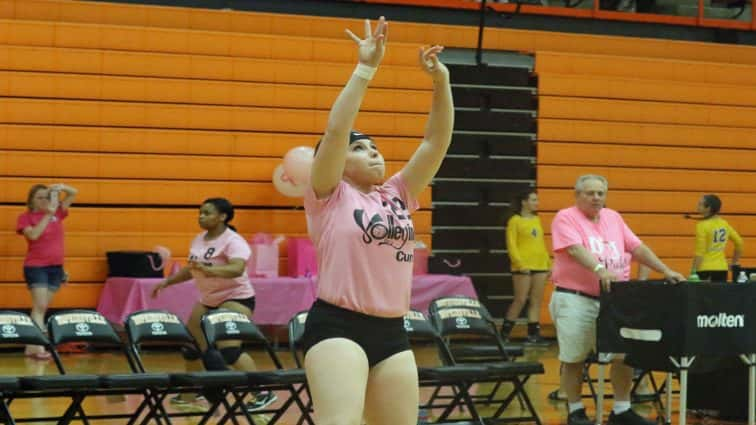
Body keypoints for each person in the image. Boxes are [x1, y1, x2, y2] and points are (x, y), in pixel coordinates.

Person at [301, 16, 454, 425]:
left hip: (392, 331)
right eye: (361, 148)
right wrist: (366, 68)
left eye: (376, 147)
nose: (374, 153)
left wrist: (441, 82)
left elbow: (435, 142)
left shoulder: (398, 194)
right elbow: (337, 131)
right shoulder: (329, 193)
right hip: (338, 326)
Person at [549, 174, 684, 425]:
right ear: (577, 195)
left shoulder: (614, 218)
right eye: (590, 193)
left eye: (601, 193)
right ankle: (576, 411)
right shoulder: (565, 217)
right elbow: (575, 249)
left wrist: (665, 270)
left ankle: (621, 409)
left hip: (615, 299)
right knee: (575, 357)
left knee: (624, 354)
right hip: (576, 298)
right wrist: (600, 270)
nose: (596, 198)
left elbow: (637, 248)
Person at [151, 198, 276, 411]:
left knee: (229, 350)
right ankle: (194, 392)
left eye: (207, 213)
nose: (201, 216)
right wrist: (168, 282)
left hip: (235, 298)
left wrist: (211, 271)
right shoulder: (199, 239)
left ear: (222, 217)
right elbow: (192, 269)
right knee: (191, 346)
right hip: (209, 300)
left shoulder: (233, 240)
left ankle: (263, 392)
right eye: (200, 212)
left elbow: (236, 269)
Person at [16, 183, 78, 360]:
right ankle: (38, 347)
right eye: (40, 197)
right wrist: (48, 215)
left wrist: (60, 188)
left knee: (41, 309)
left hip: (56, 267)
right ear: (31, 201)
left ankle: (31, 347)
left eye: (46, 196)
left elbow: (74, 193)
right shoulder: (26, 217)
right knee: (40, 307)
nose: (44, 200)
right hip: (36, 267)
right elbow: (33, 235)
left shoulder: (58, 213)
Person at [501, 190, 551, 345]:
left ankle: (533, 335)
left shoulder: (537, 219)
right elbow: (511, 245)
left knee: (536, 301)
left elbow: (540, 244)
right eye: (534, 200)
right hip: (523, 266)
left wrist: (548, 264)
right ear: (524, 202)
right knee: (520, 300)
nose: (537, 203)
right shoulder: (515, 220)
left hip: (540, 265)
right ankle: (503, 335)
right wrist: (520, 264)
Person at [691, 194, 743, 282]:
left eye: (700, 204)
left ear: (708, 208)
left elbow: (700, 252)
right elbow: (739, 242)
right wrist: (734, 262)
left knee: (704, 295)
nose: (697, 206)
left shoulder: (702, 226)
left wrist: (693, 271)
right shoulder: (724, 224)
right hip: (722, 269)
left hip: (704, 269)